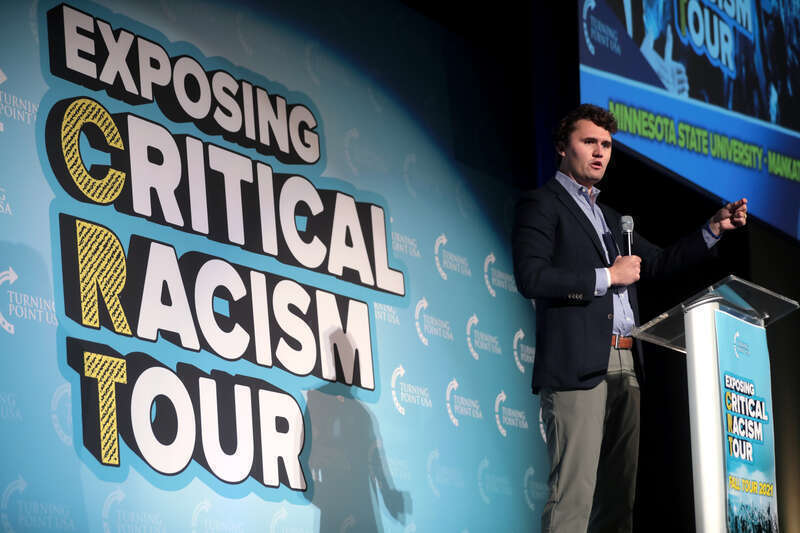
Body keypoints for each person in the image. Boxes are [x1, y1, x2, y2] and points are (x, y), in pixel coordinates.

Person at [511, 103, 747, 532]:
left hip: (627, 364)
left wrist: (712, 230)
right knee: (573, 498)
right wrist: (607, 276)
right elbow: (532, 276)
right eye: (589, 142)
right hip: (578, 366)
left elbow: (657, 264)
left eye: (606, 145)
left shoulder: (612, 218)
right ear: (563, 147)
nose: (600, 152)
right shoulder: (542, 204)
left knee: (618, 507)